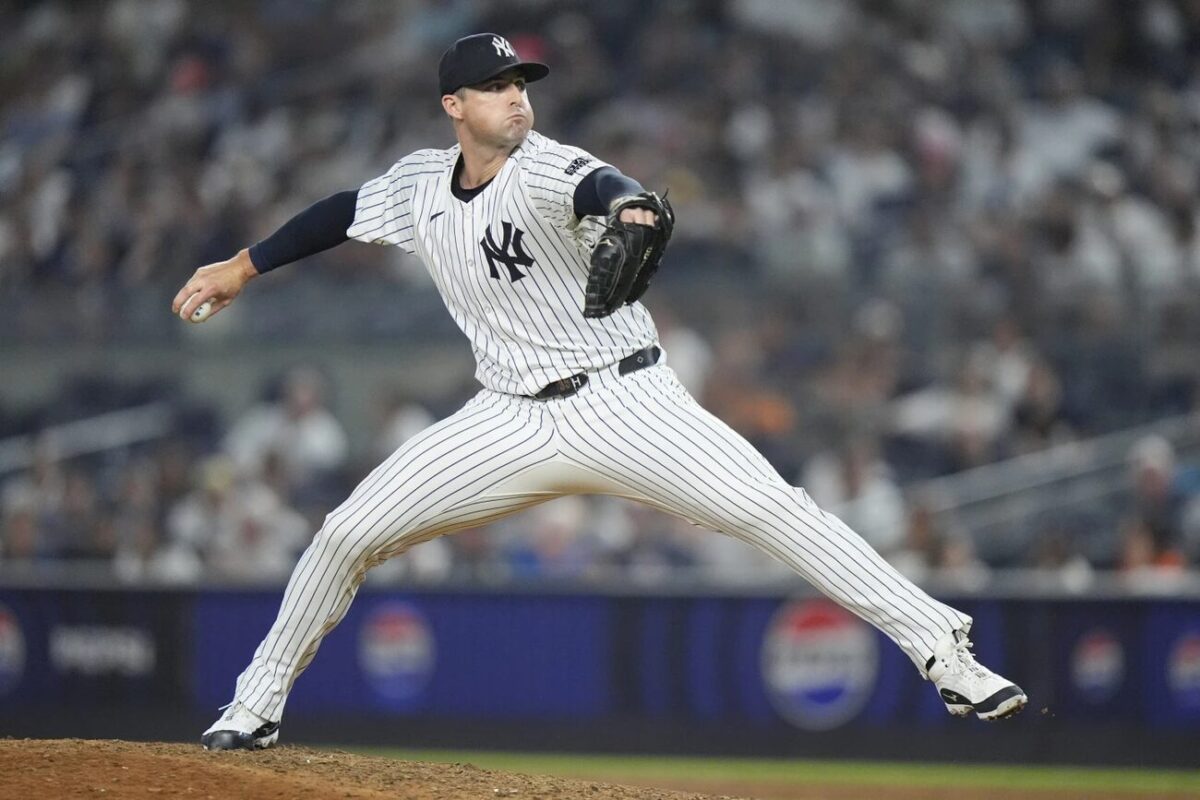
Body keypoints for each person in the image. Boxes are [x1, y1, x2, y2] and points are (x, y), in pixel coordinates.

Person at [174, 33, 1026, 751]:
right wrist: (243, 267)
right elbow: (338, 211)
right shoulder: (417, 187)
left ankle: (945, 653)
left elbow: (606, 188)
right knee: (345, 532)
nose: (515, 99)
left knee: (780, 512)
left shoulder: (544, 166)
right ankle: (255, 705)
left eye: (520, 85)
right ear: (453, 107)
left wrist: (631, 213)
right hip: (506, 416)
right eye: (495, 87)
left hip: (626, 403)